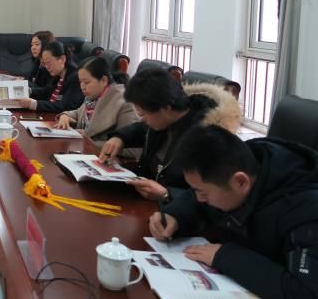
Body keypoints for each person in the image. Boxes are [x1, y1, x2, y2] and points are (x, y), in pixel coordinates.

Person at [149, 125, 318, 298]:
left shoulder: (307, 210)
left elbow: (307, 292)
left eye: (204, 193)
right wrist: (175, 215)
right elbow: (197, 197)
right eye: (196, 190)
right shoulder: (234, 166)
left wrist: (225, 257)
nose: (199, 198)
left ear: (240, 182)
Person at [99, 68, 240, 201]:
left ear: (166, 108)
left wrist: (167, 194)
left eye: (143, 114)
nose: (141, 119)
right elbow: (142, 129)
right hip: (146, 198)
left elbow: (213, 196)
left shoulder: (206, 137)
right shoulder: (165, 119)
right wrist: (120, 137)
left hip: (174, 210)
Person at [54, 56, 139, 144]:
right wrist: (66, 116)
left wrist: (89, 141)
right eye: (80, 82)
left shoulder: (123, 103)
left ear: (104, 80)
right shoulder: (93, 99)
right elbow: (79, 112)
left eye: (86, 82)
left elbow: (130, 147)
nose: (82, 87)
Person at [16, 41, 84, 114]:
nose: (47, 67)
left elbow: (64, 106)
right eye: (45, 63)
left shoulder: (76, 78)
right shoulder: (58, 76)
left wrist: (33, 104)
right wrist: (28, 90)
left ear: (62, 59)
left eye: (49, 62)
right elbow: (46, 91)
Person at [28, 31, 54, 97]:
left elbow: (48, 90)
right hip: (35, 96)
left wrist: (30, 90)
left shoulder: (52, 65)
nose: (33, 47)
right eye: (32, 45)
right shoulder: (37, 61)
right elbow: (31, 80)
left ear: (46, 45)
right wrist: (21, 81)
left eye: (37, 44)